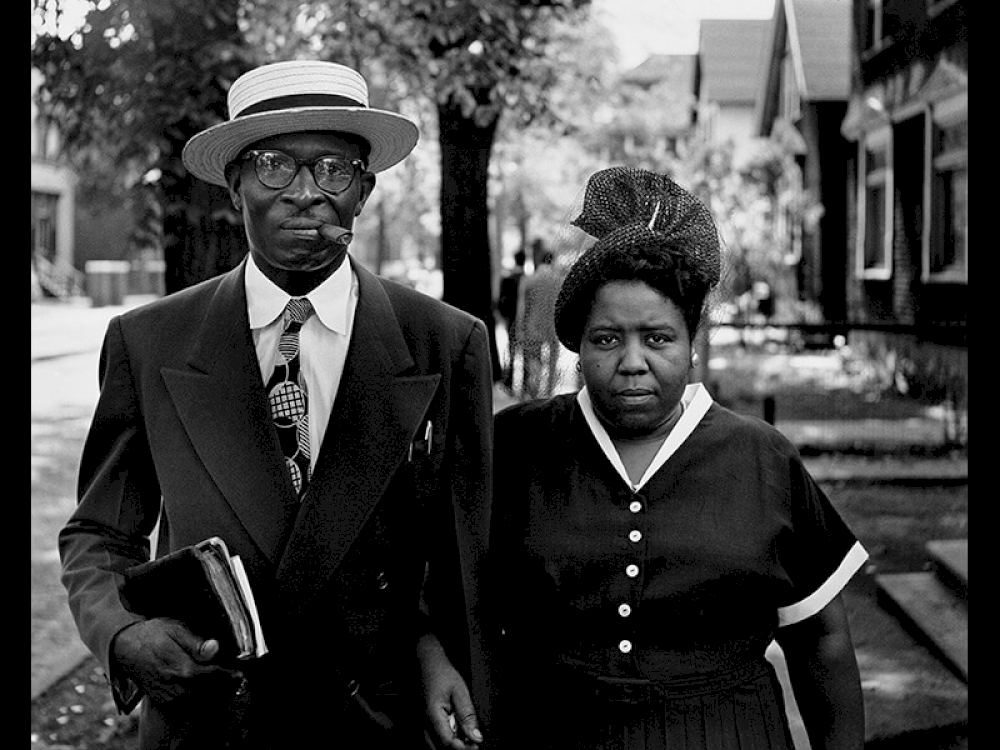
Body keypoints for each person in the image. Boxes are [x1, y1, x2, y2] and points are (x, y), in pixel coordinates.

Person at [59, 60, 492, 749]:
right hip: (208, 716)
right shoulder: (149, 343)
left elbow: (463, 554)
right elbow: (100, 534)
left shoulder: (446, 344)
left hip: (374, 720)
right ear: (234, 185)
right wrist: (122, 633)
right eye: (273, 166)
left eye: (333, 170)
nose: (305, 194)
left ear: (365, 191)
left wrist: (437, 651)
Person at [489, 166, 868, 749]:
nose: (633, 360)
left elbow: (823, 643)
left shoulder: (760, 458)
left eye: (658, 338)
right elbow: (444, 590)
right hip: (550, 728)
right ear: (579, 346)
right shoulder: (519, 443)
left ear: (692, 346)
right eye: (607, 338)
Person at [515, 239, 563, 399]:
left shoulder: (529, 280)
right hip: (553, 326)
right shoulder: (560, 282)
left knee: (534, 362)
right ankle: (549, 393)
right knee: (552, 364)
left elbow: (522, 308)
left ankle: (534, 392)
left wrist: (519, 328)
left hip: (533, 326)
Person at [496, 249, 526, 390]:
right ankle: (525, 384)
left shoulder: (508, 279)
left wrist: (503, 317)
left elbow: (501, 301)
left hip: (510, 319)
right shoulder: (528, 279)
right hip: (526, 321)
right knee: (526, 352)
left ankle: (509, 383)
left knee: (511, 351)